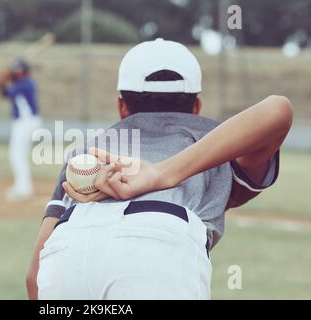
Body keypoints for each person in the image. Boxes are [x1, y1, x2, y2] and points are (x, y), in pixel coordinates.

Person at [26, 39, 293, 299]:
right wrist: (162, 174)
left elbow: (34, 277)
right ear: (197, 106)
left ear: (122, 107)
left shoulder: (88, 151)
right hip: (159, 247)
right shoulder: (216, 144)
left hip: (68, 252)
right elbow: (278, 110)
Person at [0, 58, 42, 200]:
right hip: (25, 122)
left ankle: (23, 188)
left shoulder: (26, 83)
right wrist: (1, 82)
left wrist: (3, 80)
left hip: (26, 122)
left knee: (16, 155)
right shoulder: (22, 83)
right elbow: (4, 94)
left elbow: (8, 92)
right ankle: (21, 186)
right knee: (18, 155)